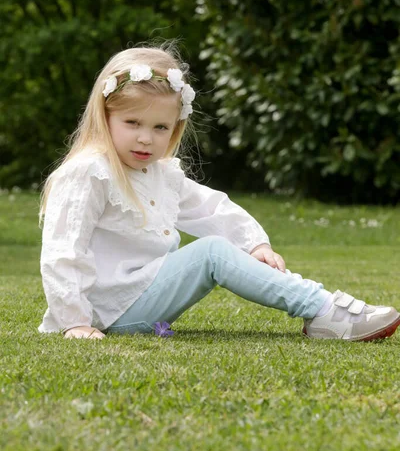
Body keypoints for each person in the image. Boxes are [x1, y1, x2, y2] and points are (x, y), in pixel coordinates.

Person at [38, 43, 400, 342]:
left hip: (140, 297)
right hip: (105, 311)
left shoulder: (160, 173)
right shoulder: (89, 171)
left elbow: (212, 208)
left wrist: (254, 243)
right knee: (211, 253)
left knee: (215, 245)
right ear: (105, 116)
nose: (146, 137)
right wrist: (75, 322)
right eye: (132, 123)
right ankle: (323, 311)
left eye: (160, 126)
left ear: (176, 127)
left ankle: (322, 307)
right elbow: (64, 250)